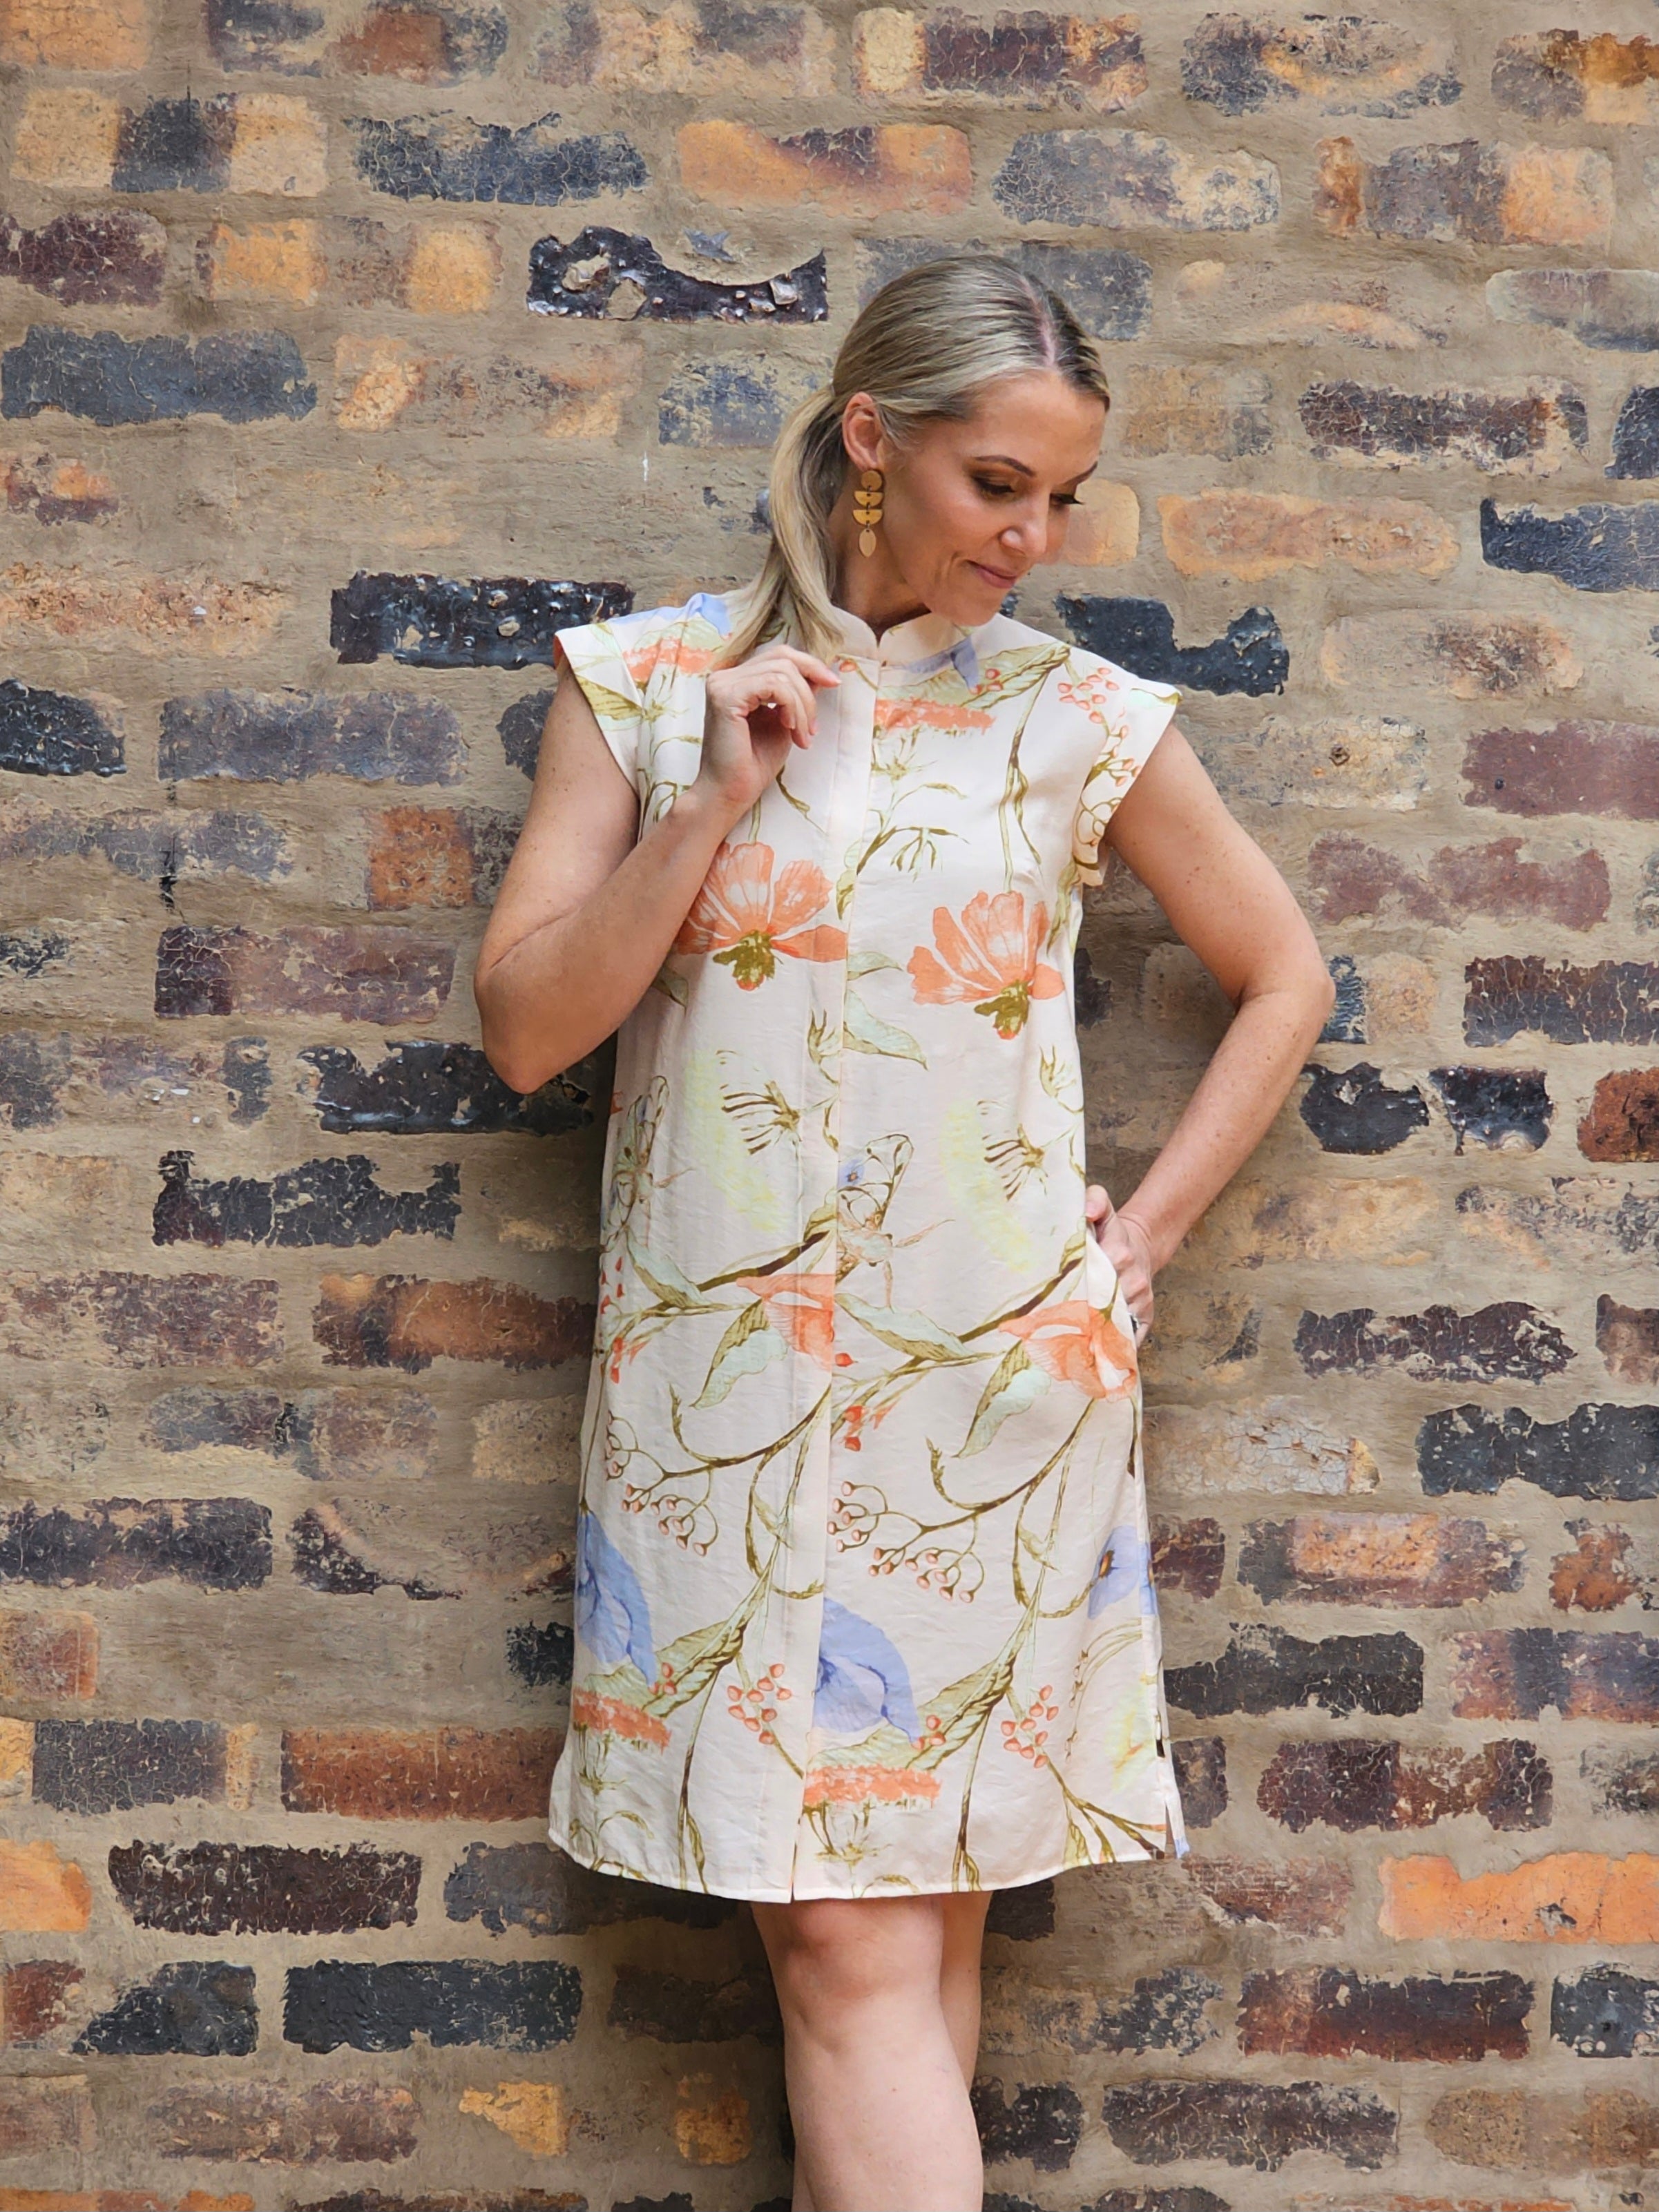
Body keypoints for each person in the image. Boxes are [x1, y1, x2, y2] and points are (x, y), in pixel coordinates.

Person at [474, 254, 1334, 2212]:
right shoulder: (647, 688)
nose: (1030, 539)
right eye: (994, 485)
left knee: (874, 1943)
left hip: (988, 1402)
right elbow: (527, 1028)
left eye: (1062, 499)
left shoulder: (1073, 715)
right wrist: (708, 805)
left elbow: (1284, 976)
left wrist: (1144, 1239)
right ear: (872, 439)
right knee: (873, 1952)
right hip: (718, 1403)